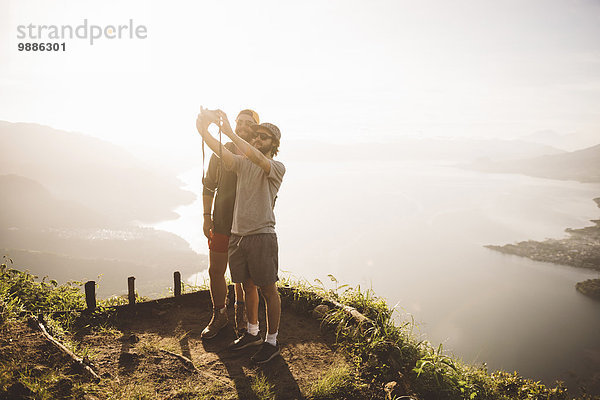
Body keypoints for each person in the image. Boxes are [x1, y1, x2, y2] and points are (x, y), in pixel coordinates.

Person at [196, 108, 285, 364]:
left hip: (261, 235)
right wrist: (203, 130)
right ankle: (252, 333)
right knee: (246, 285)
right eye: (256, 136)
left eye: (264, 137)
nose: (258, 139)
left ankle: (272, 341)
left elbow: (256, 157)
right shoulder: (242, 163)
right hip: (239, 236)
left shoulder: (275, 167)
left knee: (268, 290)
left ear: (274, 145)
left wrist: (230, 132)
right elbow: (220, 152)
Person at [200, 109, 261, 339]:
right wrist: (207, 217)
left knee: (245, 277)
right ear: (234, 125)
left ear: (255, 128)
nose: (243, 126)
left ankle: (243, 316)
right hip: (223, 222)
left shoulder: (257, 155)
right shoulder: (220, 150)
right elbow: (208, 186)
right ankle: (220, 315)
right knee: (216, 270)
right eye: (240, 122)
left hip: (247, 226)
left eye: (248, 123)